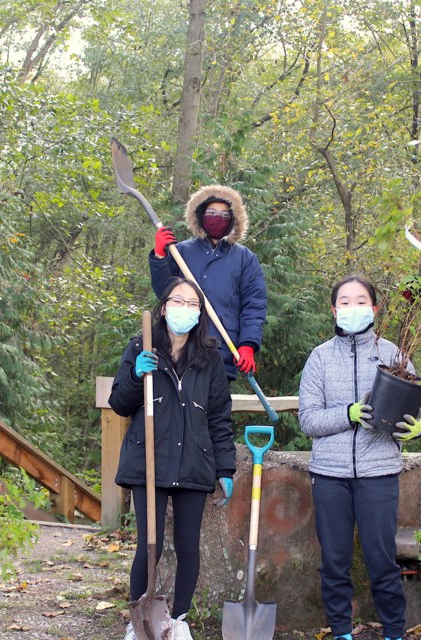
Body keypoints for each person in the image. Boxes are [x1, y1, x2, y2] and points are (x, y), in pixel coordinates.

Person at [108, 277, 236, 640]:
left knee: (187, 546)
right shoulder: (140, 347)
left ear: (200, 313)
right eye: (177, 301)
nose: (185, 309)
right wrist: (136, 375)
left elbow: (218, 417)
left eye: (192, 304)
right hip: (149, 461)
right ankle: (140, 620)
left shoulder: (209, 358)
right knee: (149, 545)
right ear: (163, 308)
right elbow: (119, 403)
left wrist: (225, 466)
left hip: (195, 463)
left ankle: (177, 620)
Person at [298, 275, 421, 640]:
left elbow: (409, 413)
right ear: (334, 309)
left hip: (378, 474)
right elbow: (308, 419)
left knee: (382, 561)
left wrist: (415, 429)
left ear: (374, 307)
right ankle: (341, 632)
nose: (353, 308)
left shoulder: (394, 356)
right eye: (345, 302)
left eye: (360, 301)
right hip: (330, 476)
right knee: (334, 563)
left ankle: (394, 632)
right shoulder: (320, 358)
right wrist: (348, 413)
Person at [149, 185, 267, 381]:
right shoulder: (181, 253)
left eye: (224, 214)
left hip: (222, 353)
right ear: (201, 215)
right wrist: (160, 256)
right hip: (179, 349)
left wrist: (248, 344)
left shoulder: (245, 259)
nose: (217, 218)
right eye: (211, 212)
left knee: (214, 409)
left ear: (233, 220)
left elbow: (254, 305)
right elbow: (164, 293)